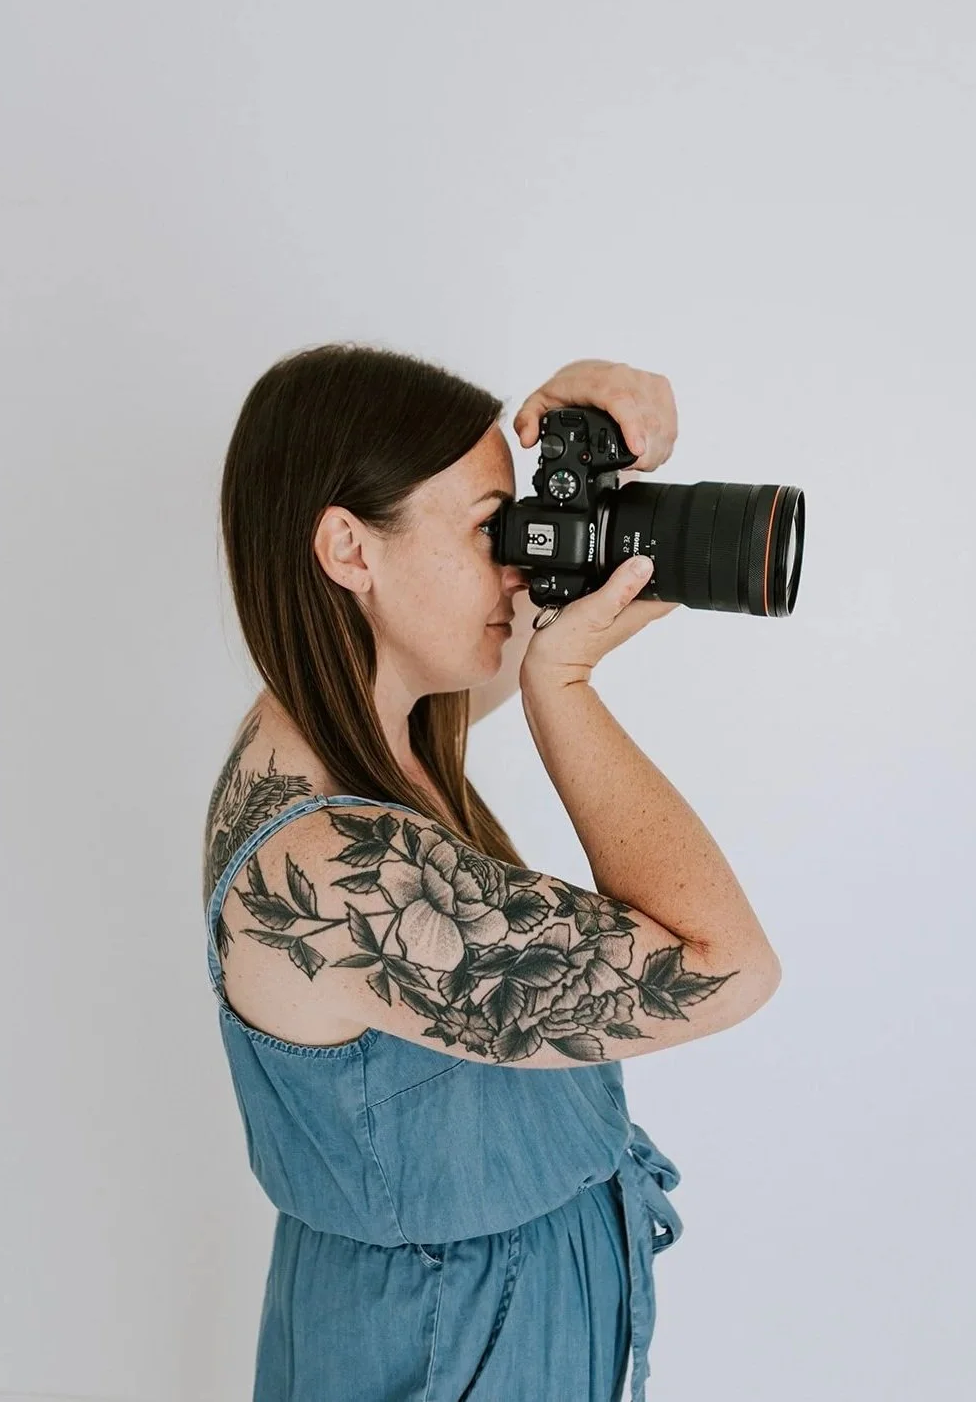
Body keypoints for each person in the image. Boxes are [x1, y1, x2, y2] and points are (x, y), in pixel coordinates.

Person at [202, 342, 782, 1401]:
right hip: (448, 1342)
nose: (517, 564)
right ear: (347, 548)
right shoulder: (338, 876)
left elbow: (532, 626)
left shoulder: (360, 725)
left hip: (486, 1307)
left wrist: (602, 473)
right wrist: (567, 685)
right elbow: (725, 965)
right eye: (487, 527)